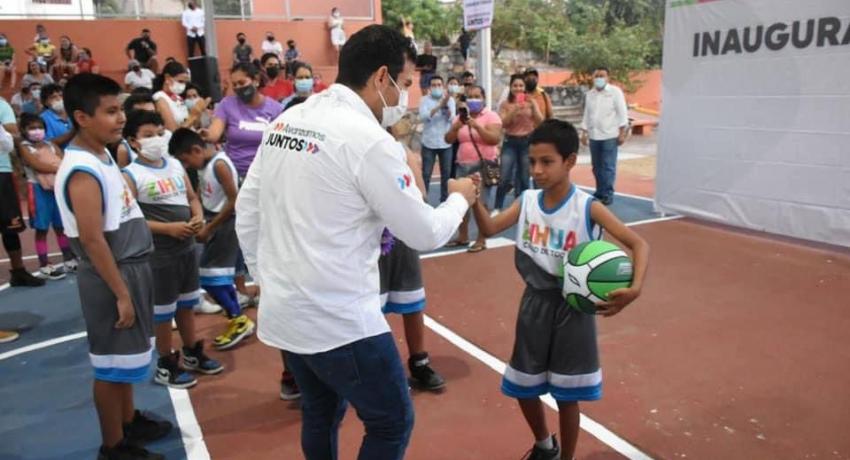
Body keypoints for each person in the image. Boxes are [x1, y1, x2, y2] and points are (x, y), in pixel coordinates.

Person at [235, 24, 477, 459]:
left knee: (320, 412)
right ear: (382, 77)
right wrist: (459, 199)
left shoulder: (289, 120)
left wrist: (267, 279)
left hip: (286, 311)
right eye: (405, 83)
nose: (405, 96)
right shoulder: (368, 141)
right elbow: (424, 232)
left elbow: (248, 210)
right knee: (391, 422)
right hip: (339, 320)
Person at [472, 119, 649, 460]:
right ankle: (544, 445)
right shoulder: (527, 201)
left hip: (574, 309)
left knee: (567, 396)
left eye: (546, 162)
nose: (537, 170)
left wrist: (635, 288)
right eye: (532, 161)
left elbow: (639, 244)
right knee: (523, 386)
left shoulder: (587, 207)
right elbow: (490, 228)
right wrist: (473, 200)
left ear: (569, 161)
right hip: (534, 304)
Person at [54, 72, 172, 460]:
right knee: (110, 367)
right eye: (109, 112)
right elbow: (92, 240)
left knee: (127, 360)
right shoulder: (81, 170)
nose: (121, 118)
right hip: (112, 275)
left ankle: (128, 420)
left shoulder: (103, 154)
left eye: (119, 109)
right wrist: (121, 293)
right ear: (81, 117)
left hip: (131, 268)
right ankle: (113, 446)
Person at [121, 110, 224, 389]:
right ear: (133, 141)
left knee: (187, 303)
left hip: (186, 248)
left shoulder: (175, 165)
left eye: (158, 133)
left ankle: (192, 351)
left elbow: (192, 197)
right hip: (159, 254)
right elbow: (132, 218)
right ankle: (166, 363)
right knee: (163, 311)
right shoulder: (130, 175)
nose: (156, 139)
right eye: (147, 135)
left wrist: (197, 217)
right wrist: (168, 229)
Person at [170, 128, 255, 351]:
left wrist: (210, 228)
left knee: (211, 279)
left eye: (186, 160)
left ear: (196, 150)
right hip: (214, 221)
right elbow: (202, 191)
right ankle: (236, 317)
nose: (187, 165)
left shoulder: (219, 165)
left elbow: (234, 201)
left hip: (225, 225)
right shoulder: (205, 166)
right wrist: (198, 217)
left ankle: (238, 319)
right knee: (215, 278)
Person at [204, 62, 282, 305]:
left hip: (266, 178)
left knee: (267, 234)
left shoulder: (275, 108)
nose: (238, 88)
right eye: (234, 84)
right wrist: (204, 131)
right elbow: (214, 133)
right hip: (235, 179)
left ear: (256, 80)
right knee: (239, 234)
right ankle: (240, 288)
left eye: (243, 82)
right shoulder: (227, 105)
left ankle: (265, 285)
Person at [379, 131, 447, 392]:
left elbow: (421, 196)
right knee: (371, 308)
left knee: (412, 301)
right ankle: (380, 370)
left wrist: (409, 160)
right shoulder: (355, 150)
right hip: (368, 241)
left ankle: (419, 362)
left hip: (402, 236)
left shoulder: (400, 150)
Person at [17, 113, 77, 279]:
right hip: (37, 190)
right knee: (42, 228)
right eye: (32, 128)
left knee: (60, 226)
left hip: (56, 188)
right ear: (24, 130)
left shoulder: (51, 145)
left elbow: (64, 160)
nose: (37, 131)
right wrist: (58, 167)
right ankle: (45, 265)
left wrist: (59, 167)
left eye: (40, 127)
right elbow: (37, 165)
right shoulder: (24, 147)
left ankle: (69, 260)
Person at [445, 85, 502, 253]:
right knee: (460, 202)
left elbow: (494, 139)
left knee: (482, 204)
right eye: (470, 96)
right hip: (463, 165)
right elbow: (448, 139)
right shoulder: (460, 117)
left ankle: (481, 239)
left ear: (483, 98)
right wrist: (456, 127)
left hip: (483, 165)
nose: (473, 99)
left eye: (477, 96)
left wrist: (476, 126)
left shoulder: (491, 116)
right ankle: (462, 236)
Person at [0, 101, 45, 289]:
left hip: (1, 170)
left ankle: (18, 271)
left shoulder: (2, 105)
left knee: (10, 224)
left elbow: (11, 134)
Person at [579, 66, 628, 206]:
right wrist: (584, 132)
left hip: (610, 135)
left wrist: (622, 133)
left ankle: (607, 194)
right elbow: (587, 114)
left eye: (602, 76)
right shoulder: (590, 94)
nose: (599, 78)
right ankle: (599, 192)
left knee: (608, 166)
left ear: (608, 77)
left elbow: (622, 113)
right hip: (594, 135)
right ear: (592, 78)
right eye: (596, 76)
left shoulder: (615, 92)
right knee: (596, 167)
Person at [496, 74, 543, 211]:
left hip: (527, 143)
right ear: (510, 87)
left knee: (524, 178)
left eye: (521, 86)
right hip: (510, 142)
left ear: (525, 87)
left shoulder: (531, 102)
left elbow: (540, 122)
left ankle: (523, 208)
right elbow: (503, 123)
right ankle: (497, 207)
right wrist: (515, 109)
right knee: (504, 177)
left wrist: (534, 106)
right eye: (515, 85)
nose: (518, 88)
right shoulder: (505, 104)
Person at [418, 75, 456, 204]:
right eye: (433, 85)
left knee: (446, 175)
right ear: (429, 87)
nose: (436, 87)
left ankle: (444, 201)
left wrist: (446, 107)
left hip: (446, 143)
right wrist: (439, 106)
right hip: (429, 142)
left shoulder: (450, 100)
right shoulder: (424, 100)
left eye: (439, 85)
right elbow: (424, 117)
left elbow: (452, 118)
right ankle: (423, 202)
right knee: (426, 174)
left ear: (443, 86)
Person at [153, 61, 208, 132]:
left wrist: (199, 111)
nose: (183, 85)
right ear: (167, 77)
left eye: (185, 83)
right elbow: (173, 131)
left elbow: (191, 124)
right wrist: (193, 115)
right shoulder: (160, 98)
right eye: (180, 81)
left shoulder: (178, 98)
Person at [446, 76, 463, 179]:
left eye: (455, 84)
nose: (453, 86)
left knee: (458, 160)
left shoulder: (462, 100)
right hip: (449, 134)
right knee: (450, 162)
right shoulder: (445, 100)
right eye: (451, 83)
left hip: (459, 134)